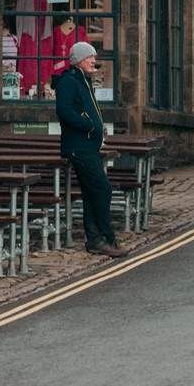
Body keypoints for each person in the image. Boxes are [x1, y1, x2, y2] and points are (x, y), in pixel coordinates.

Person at [55, 41, 123, 257]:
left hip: (88, 145)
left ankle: (96, 239)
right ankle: (102, 236)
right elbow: (64, 111)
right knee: (103, 189)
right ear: (79, 60)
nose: (94, 60)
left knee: (91, 192)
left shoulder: (83, 79)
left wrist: (96, 128)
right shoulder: (69, 81)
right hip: (79, 147)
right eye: (90, 57)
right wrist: (89, 124)